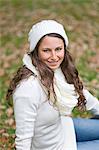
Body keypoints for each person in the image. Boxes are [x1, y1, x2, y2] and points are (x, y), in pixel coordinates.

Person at [6, 20, 99, 150]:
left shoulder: (59, 71)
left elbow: (84, 95)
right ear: (36, 51)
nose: (54, 57)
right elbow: (24, 137)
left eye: (58, 49)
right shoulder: (28, 88)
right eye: (46, 50)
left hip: (63, 128)